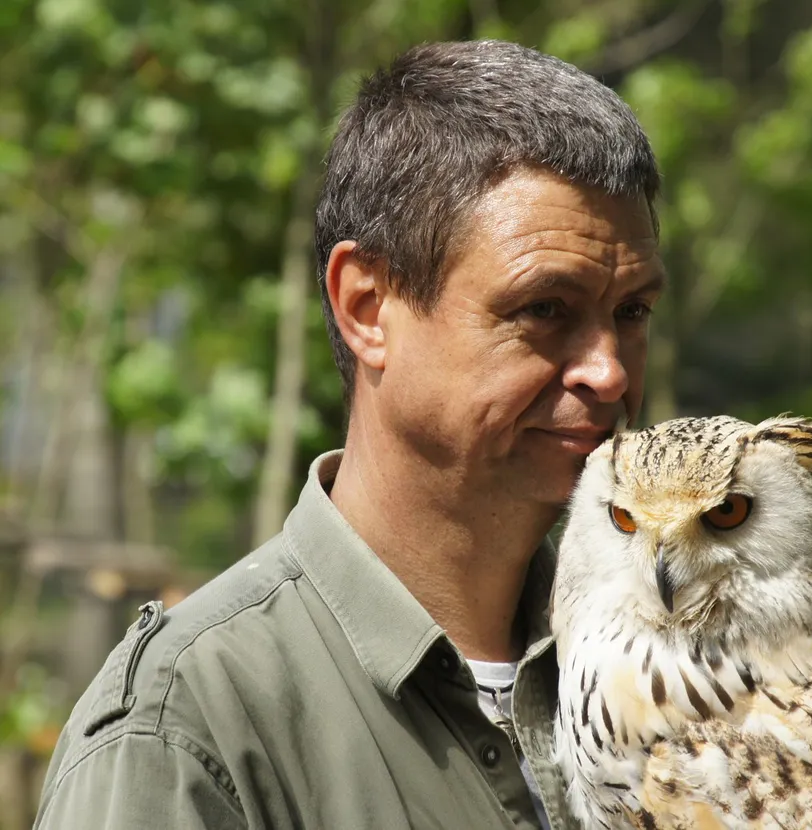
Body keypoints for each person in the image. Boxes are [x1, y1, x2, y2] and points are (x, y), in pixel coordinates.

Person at [34, 39, 664, 830]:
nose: (607, 371)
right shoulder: (189, 731)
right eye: (543, 309)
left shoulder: (677, 665)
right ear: (367, 308)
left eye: (632, 312)